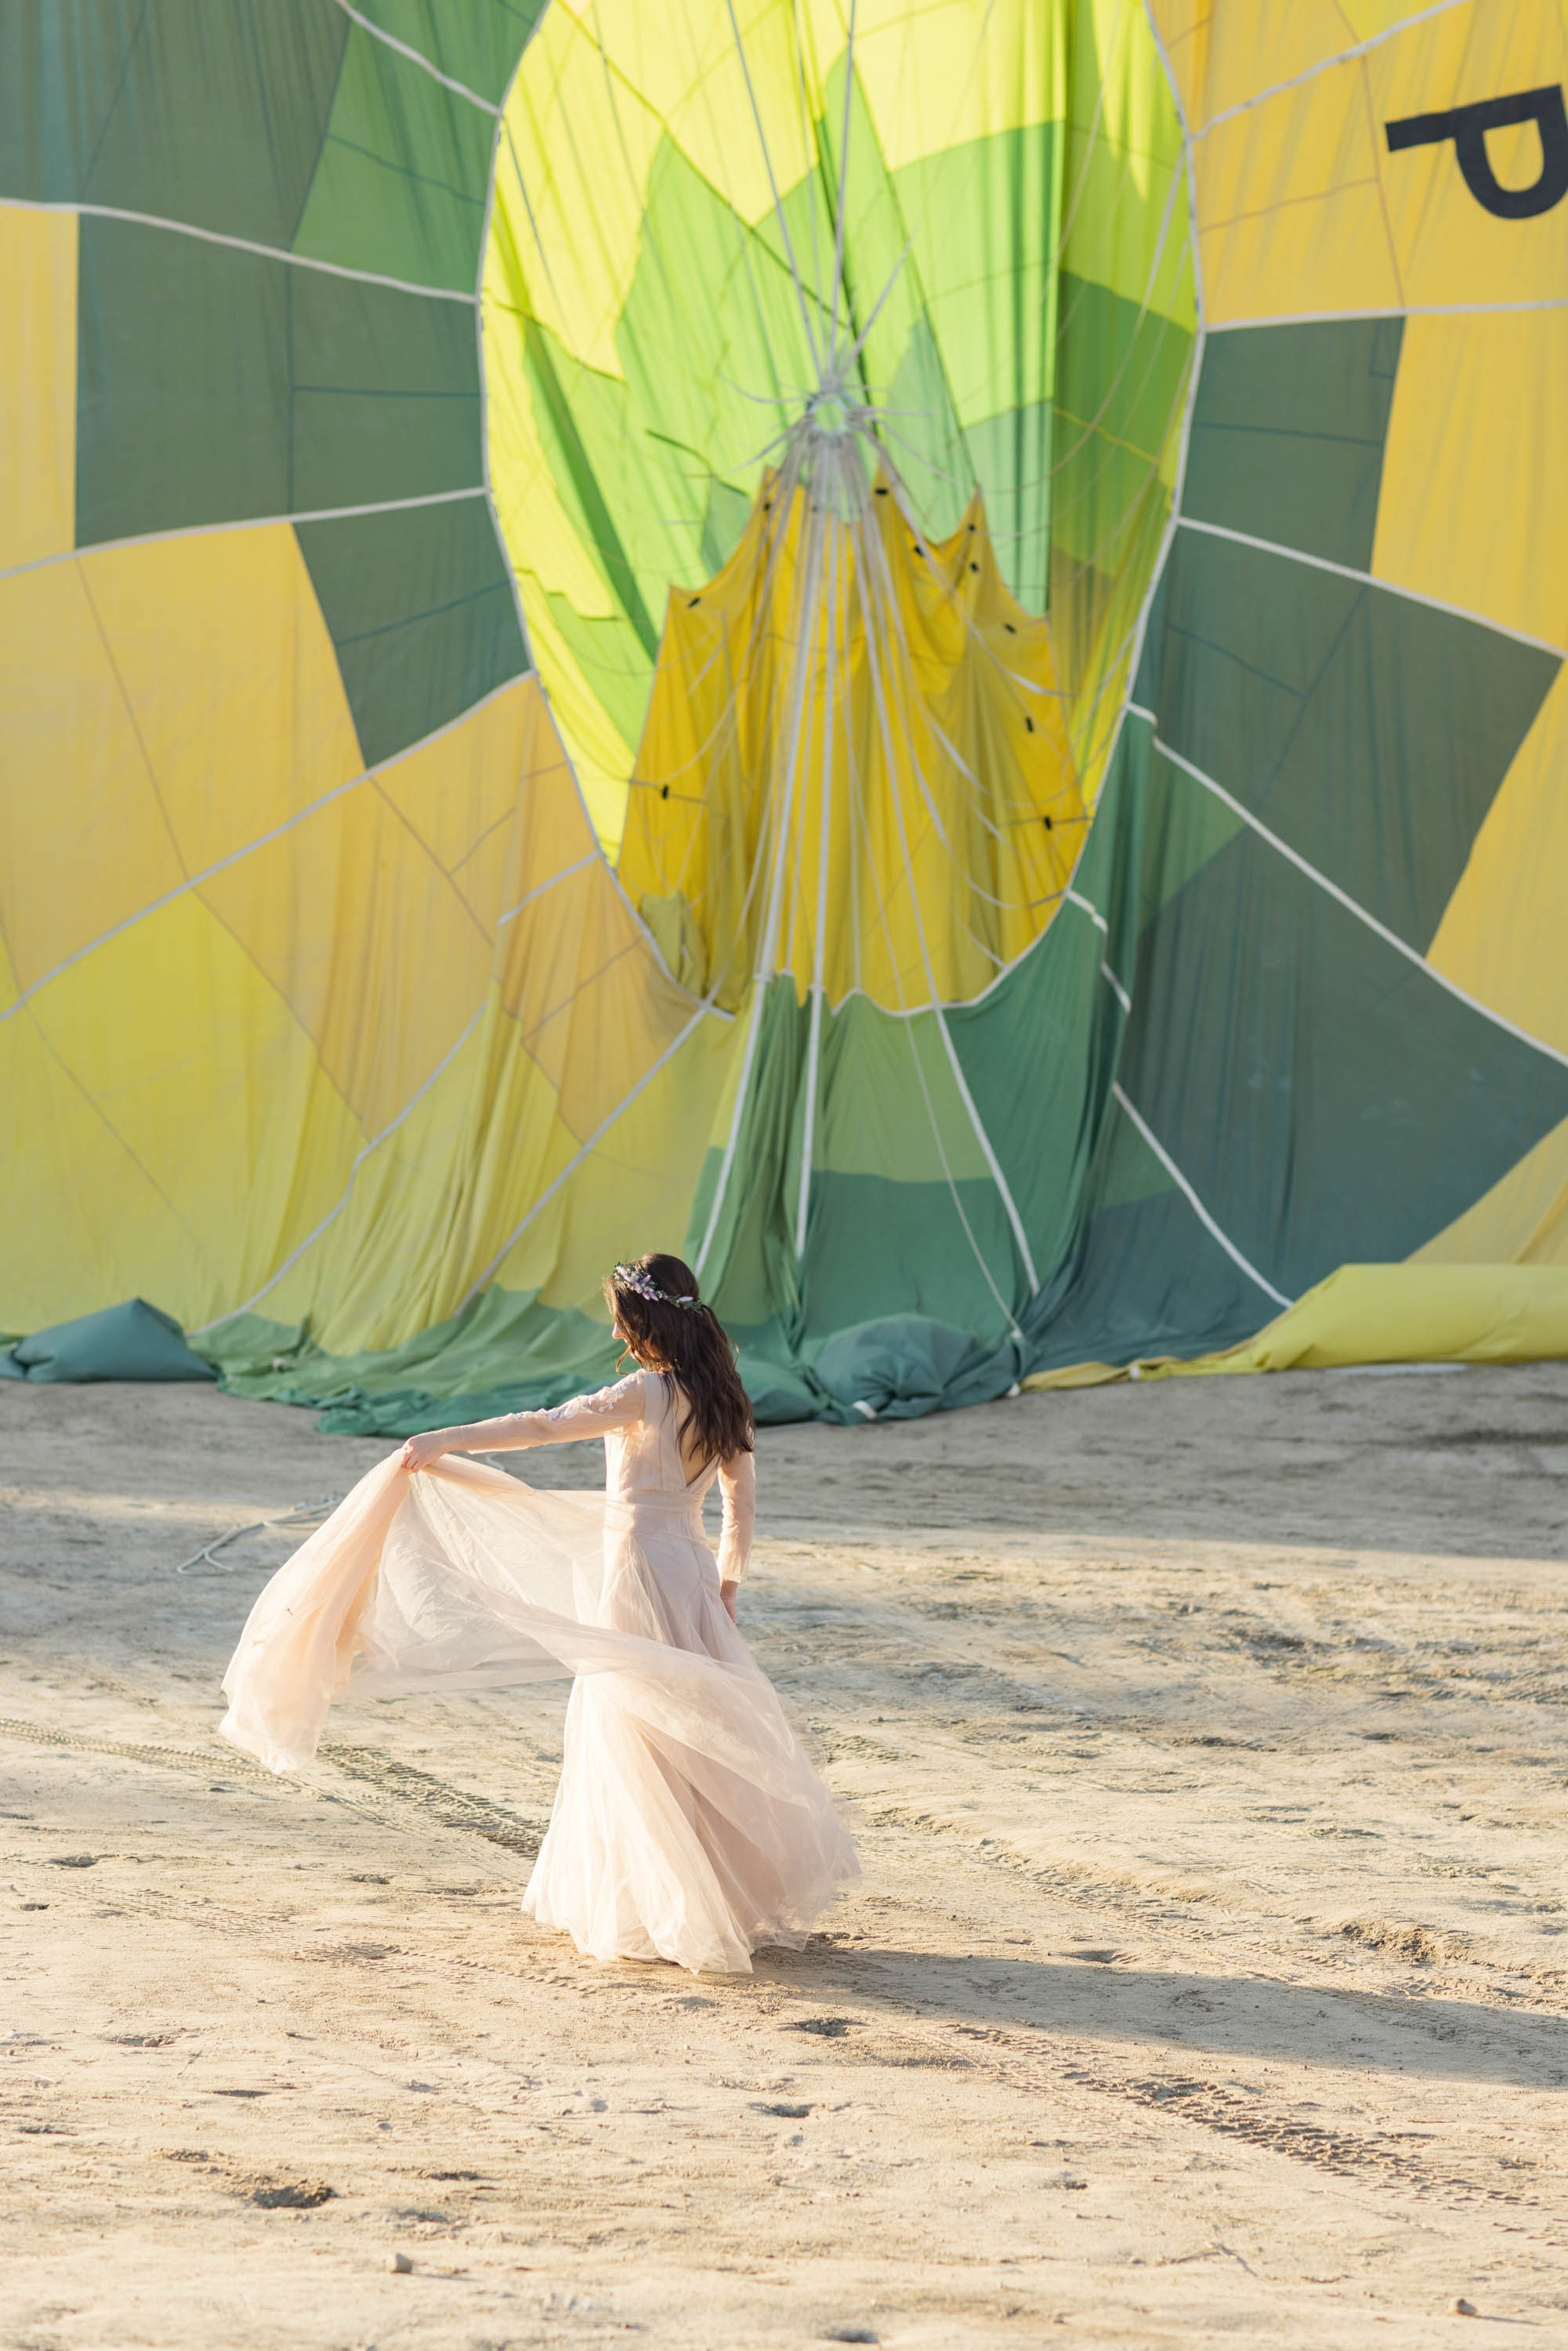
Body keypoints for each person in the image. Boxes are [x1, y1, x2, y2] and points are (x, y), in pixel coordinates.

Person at [221, 1253, 858, 1976]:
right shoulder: (723, 1395)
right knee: (690, 1729)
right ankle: (707, 1896)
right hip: (689, 1574)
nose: (620, 1341)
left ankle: (657, 1906)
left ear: (645, 1323)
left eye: (623, 1325)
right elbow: (739, 1503)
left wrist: (444, 1439)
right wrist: (729, 1582)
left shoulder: (646, 1392)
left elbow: (545, 1427)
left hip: (636, 1574)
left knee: (633, 1731)